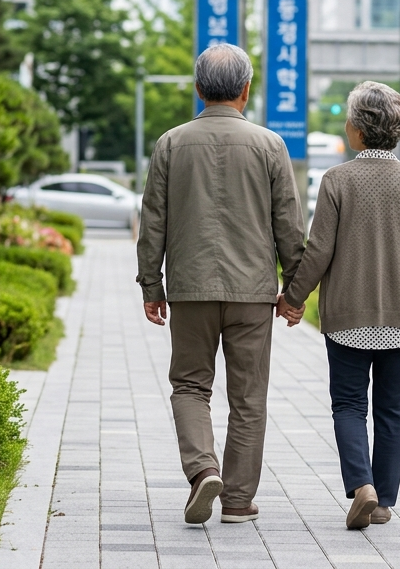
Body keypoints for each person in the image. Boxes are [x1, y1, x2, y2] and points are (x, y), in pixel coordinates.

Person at [135, 43, 307, 525]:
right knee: (248, 397)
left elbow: (153, 221)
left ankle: (201, 470)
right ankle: (236, 500)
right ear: (246, 91)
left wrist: (152, 284)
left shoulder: (170, 143)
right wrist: (293, 292)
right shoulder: (271, 145)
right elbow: (289, 226)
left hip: (188, 289)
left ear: (197, 88)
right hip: (253, 291)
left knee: (190, 385)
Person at [281, 81, 400, 530]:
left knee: (349, 405)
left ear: (356, 130)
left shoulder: (338, 180)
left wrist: (292, 299)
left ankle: (361, 486)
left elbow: (318, 251)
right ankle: (385, 500)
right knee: (393, 408)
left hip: (347, 318)